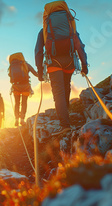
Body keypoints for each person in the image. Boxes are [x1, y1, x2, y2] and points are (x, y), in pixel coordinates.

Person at [35, 1, 88, 135]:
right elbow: (79, 46)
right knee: (66, 87)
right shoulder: (71, 27)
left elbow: (38, 51)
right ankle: (66, 115)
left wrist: (40, 72)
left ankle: (64, 125)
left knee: (58, 93)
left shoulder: (44, 31)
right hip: (69, 62)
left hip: (54, 63)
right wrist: (84, 65)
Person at [8, 52, 38, 126]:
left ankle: (16, 119)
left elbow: (10, 75)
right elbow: (35, 73)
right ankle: (22, 119)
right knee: (24, 103)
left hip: (16, 87)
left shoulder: (12, 66)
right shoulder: (25, 65)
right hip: (25, 87)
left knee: (17, 103)